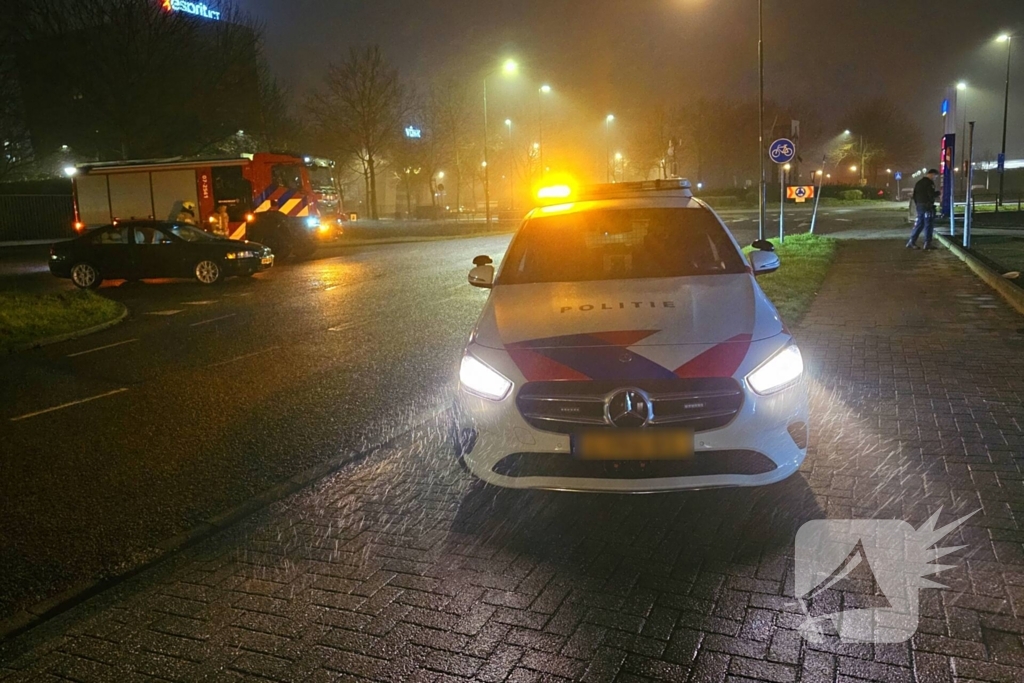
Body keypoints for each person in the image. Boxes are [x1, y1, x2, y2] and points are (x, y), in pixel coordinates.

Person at [907, 169, 939, 250]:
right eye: (935, 176)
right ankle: (927, 243)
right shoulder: (929, 183)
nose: (935, 178)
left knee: (919, 224)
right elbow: (931, 194)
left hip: (920, 206)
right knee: (928, 224)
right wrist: (938, 193)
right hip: (927, 206)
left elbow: (914, 195)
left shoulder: (919, 183)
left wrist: (918, 204)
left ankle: (911, 241)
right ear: (932, 174)